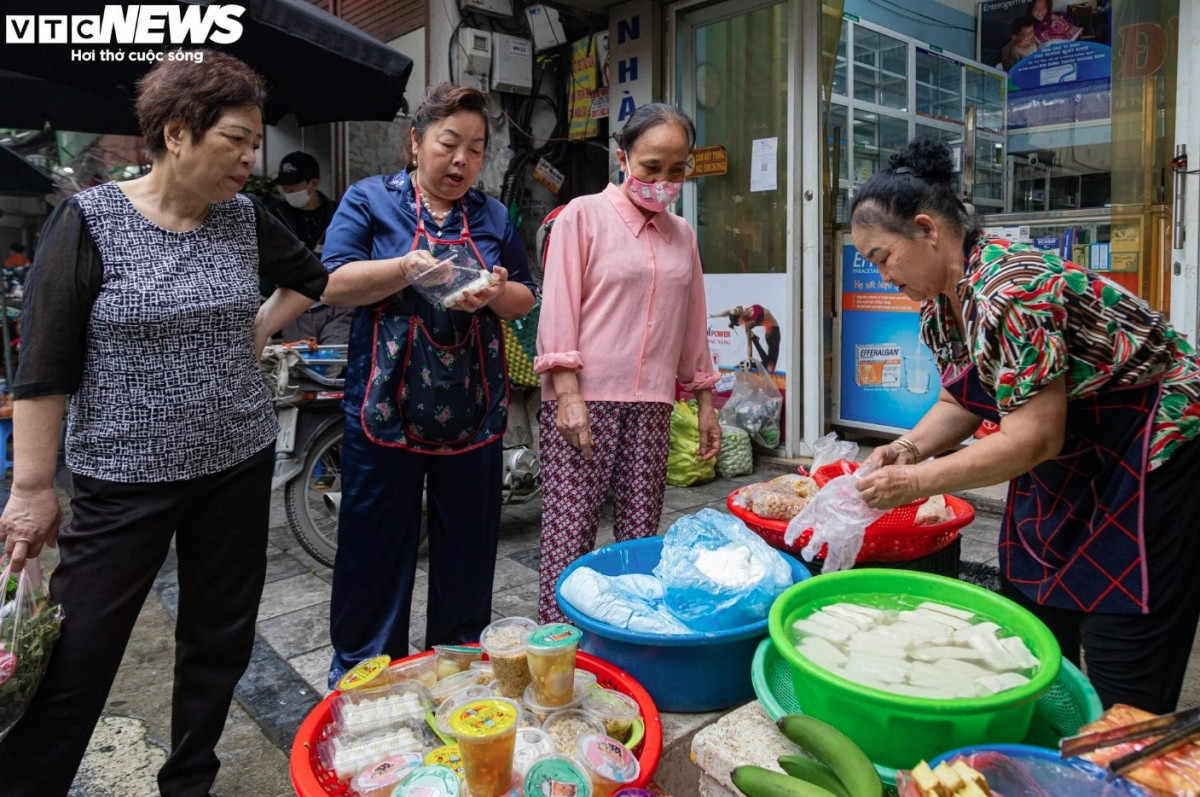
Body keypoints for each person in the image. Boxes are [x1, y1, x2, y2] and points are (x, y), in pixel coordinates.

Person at [0, 52, 327, 797]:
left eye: (255, 144)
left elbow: (310, 278)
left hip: (236, 460)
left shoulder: (244, 218)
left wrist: (257, 328)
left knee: (219, 638)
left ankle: (189, 781)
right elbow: (43, 365)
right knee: (77, 654)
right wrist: (32, 487)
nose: (250, 160)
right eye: (236, 140)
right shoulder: (89, 219)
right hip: (123, 478)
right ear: (177, 133)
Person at [850, 138, 1200, 714]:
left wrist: (913, 484)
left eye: (883, 257)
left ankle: (1123, 743)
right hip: (1068, 451)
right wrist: (907, 449)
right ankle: (1052, 733)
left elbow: (1034, 437)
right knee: (1030, 616)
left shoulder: (1011, 288)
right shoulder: (941, 300)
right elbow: (964, 398)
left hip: (1147, 449)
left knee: (1120, 638)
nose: (884, 276)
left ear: (927, 229)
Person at [320, 83, 535, 686]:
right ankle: (366, 676)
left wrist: (495, 293)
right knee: (373, 549)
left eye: (476, 148)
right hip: (383, 408)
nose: (462, 160)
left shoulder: (492, 216)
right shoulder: (371, 200)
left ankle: (457, 673)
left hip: (472, 410)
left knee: (467, 550)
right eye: (448, 143)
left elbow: (524, 297)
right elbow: (331, 282)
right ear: (415, 142)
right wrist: (403, 268)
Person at [534, 103, 721, 624]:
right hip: (584, 401)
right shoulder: (581, 216)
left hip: (654, 405)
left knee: (640, 537)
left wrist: (705, 402)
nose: (662, 182)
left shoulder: (683, 234)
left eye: (676, 170)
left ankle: (627, 636)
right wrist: (567, 396)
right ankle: (559, 647)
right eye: (651, 167)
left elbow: (692, 322)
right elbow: (559, 309)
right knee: (569, 535)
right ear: (623, 159)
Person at [269, 151, 354, 345]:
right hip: (294, 306)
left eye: (293, 187)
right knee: (300, 359)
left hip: (336, 303)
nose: (287, 191)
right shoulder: (275, 216)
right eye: (284, 187)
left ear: (313, 184)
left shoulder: (340, 214)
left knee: (335, 357)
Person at [710, 303, 781, 372]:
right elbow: (749, 345)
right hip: (773, 334)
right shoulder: (749, 324)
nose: (737, 307)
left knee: (769, 365)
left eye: (735, 308)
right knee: (770, 367)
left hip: (771, 333)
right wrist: (750, 363)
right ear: (739, 317)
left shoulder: (745, 310)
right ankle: (754, 346)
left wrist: (714, 316)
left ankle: (755, 342)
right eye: (736, 310)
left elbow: (728, 312)